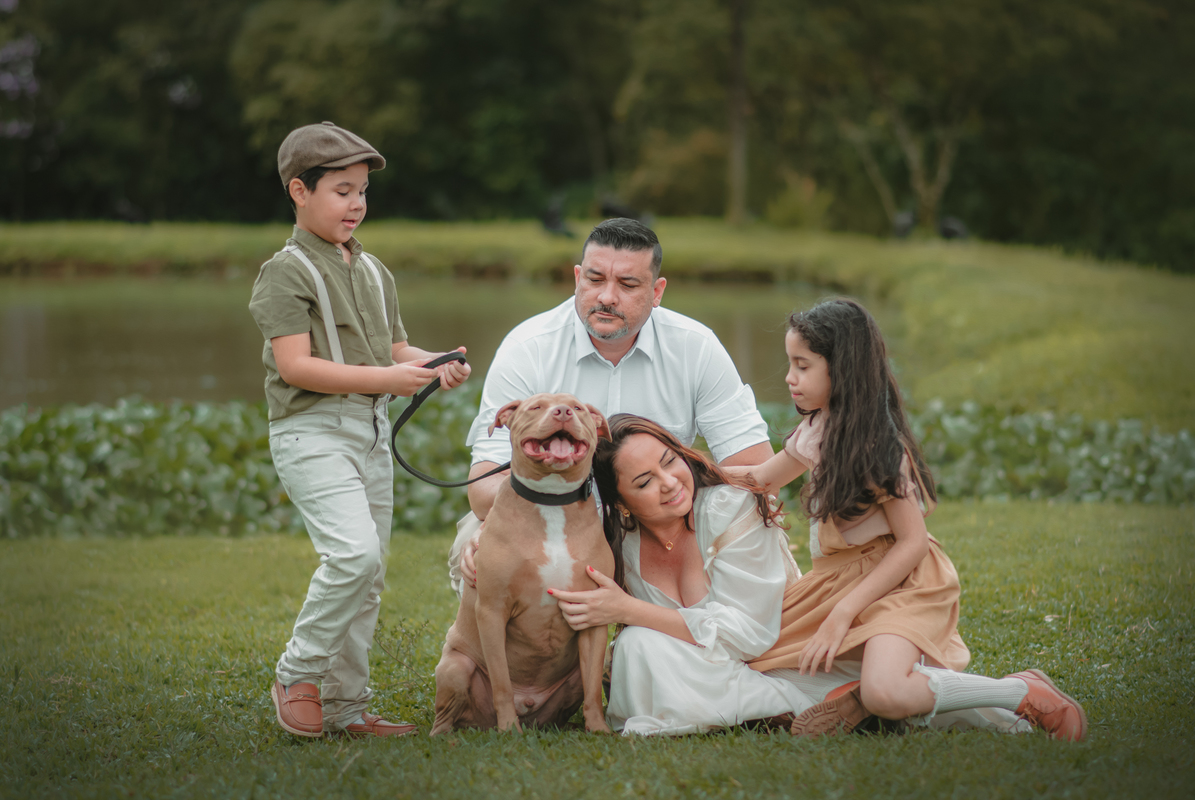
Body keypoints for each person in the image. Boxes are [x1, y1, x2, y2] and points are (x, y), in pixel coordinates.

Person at [549, 415, 1030, 736]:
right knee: (638, 648)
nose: (669, 482)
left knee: (892, 691)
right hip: (721, 665)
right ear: (620, 504)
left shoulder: (729, 508)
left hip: (783, 651)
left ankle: (816, 703)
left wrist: (631, 610)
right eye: (644, 482)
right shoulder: (624, 548)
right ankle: (813, 708)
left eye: (670, 461)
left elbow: (751, 636)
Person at [742, 299, 1087, 740]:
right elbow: (759, 478)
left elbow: (913, 543)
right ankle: (866, 696)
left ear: (841, 369)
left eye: (802, 366)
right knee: (757, 659)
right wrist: (681, 470)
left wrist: (843, 614)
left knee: (886, 691)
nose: (790, 378)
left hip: (900, 583)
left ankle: (1020, 691)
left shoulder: (879, 449)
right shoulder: (816, 431)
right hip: (836, 584)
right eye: (790, 364)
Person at [249, 121, 471, 738]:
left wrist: (434, 365)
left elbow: (394, 350)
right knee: (353, 554)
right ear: (299, 191)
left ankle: (346, 708)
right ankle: (297, 674)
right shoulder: (285, 272)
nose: (356, 204)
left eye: (363, 192)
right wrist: (387, 378)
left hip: (370, 433)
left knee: (368, 579)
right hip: (310, 432)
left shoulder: (374, 271)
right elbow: (296, 366)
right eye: (342, 191)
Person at [450, 218, 773, 594]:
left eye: (628, 284)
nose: (606, 297)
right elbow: (484, 488)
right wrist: (508, 522)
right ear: (577, 278)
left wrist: (672, 506)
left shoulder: (696, 346)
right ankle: (499, 634)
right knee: (479, 545)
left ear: (657, 291)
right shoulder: (527, 347)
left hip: (660, 518)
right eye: (595, 279)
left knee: (752, 527)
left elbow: (754, 470)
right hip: (546, 514)